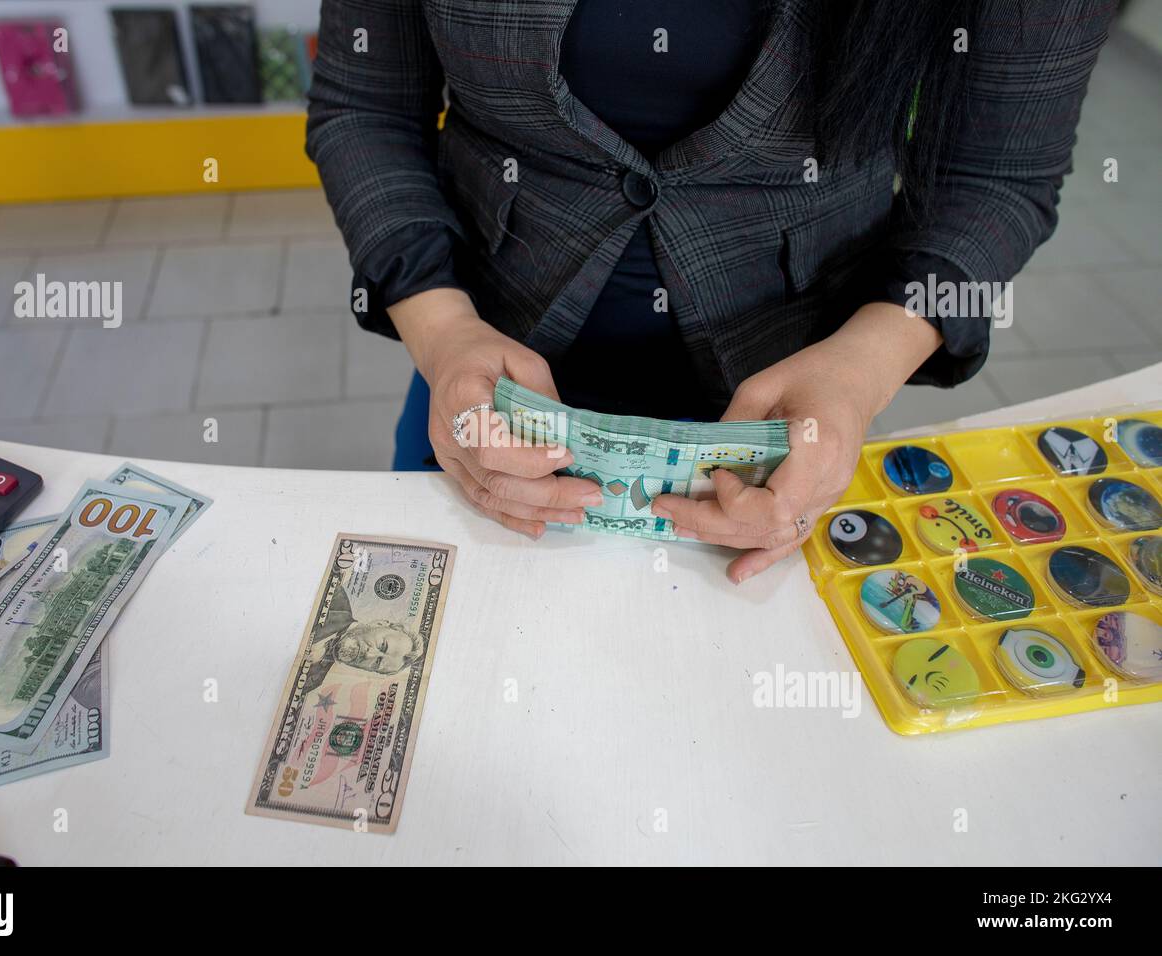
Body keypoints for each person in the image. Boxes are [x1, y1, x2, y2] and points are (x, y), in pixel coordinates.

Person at [305, 0, 1115, 581]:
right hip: (486, 382)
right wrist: (442, 331)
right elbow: (365, 107)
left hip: (789, 427)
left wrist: (864, 368)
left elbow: (999, 177)